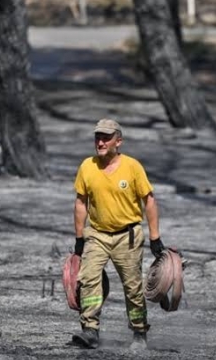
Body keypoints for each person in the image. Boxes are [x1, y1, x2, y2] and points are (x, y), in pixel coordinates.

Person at [71, 118, 165, 350]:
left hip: (128, 236)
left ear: (118, 141)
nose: (100, 142)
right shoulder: (87, 166)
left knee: (132, 288)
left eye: (106, 137)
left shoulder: (132, 167)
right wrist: (79, 238)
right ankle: (90, 330)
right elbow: (81, 203)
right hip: (97, 235)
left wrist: (155, 237)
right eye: (97, 137)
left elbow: (149, 201)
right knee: (88, 279)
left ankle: (139, 332)